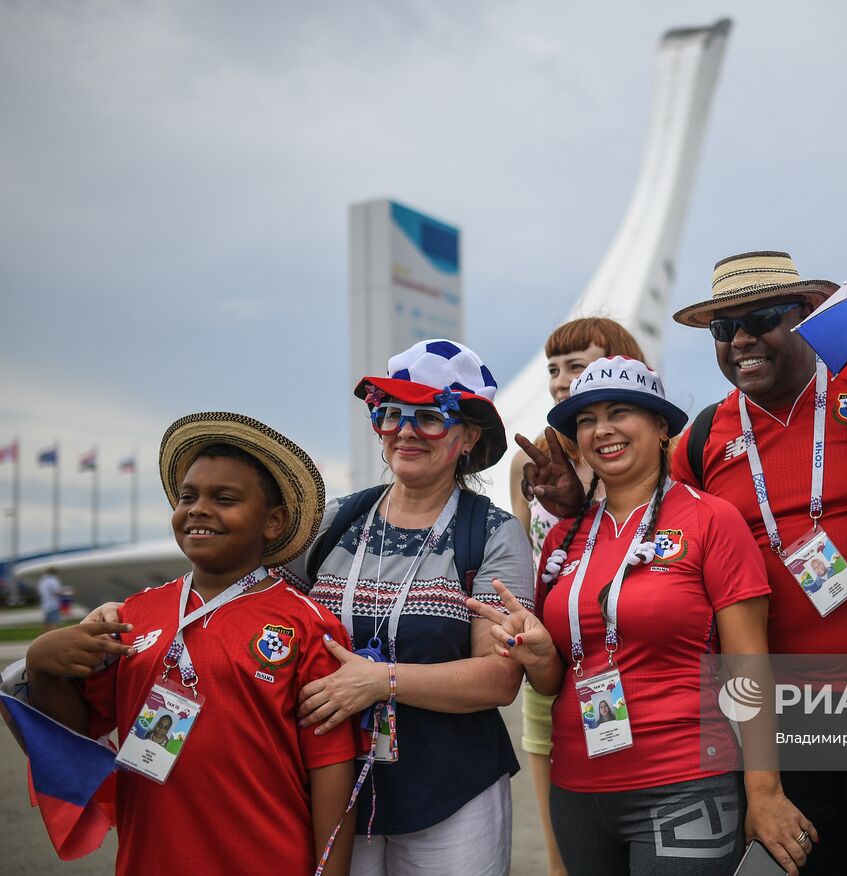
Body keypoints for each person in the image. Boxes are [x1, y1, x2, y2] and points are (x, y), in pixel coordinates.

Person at [473, 355, 816, 876]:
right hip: (577, 790)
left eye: (620, 412)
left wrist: (765, 791)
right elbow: (551, 684)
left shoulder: (711, 519)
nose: (602, 430)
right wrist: (540, 655)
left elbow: (751, 667)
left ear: (661, 427)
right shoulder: (565, 537)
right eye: (586, 419)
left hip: (683, 782)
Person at [670, 251, 847, 875]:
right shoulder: (697, 442)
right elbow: (641, 519)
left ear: (806, 317)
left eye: (762, 318)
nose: (741, 339)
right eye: (725, 328)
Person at [25, 412, 358, 875]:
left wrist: (331, 870)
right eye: (188, 496)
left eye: (225, 498)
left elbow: (332, 765)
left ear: (274, 521)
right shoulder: (133, 615)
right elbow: (77, 733)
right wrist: (39, 665)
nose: (199, 509)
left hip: (269, 860)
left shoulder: (306, 623)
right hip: (150, 861)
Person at [273, 339, 533, 876]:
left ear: (469, 438)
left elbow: (500, 678)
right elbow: (255, 602)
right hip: (333, 780)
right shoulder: (335, 520)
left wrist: (381, 681)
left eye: (430, 417)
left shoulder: (493, 533)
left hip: (452, 790)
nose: (406, 431)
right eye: (389, 414)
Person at [507, 316, 648, 876]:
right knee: (563, 854)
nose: (562, 380)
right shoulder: (530, 462)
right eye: (554, 370)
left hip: (638, 659)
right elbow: (523, 570)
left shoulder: (651, 457)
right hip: (555, 669)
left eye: (578, 366)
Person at [37, 567, 61, 631]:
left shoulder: (42, 581)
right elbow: (56, 592)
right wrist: (66, 592)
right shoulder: (53, 580)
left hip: (45, 605)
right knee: (54, 624)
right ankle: (55, 639)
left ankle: (43, 639)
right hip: (53, 605)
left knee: (46, 625)